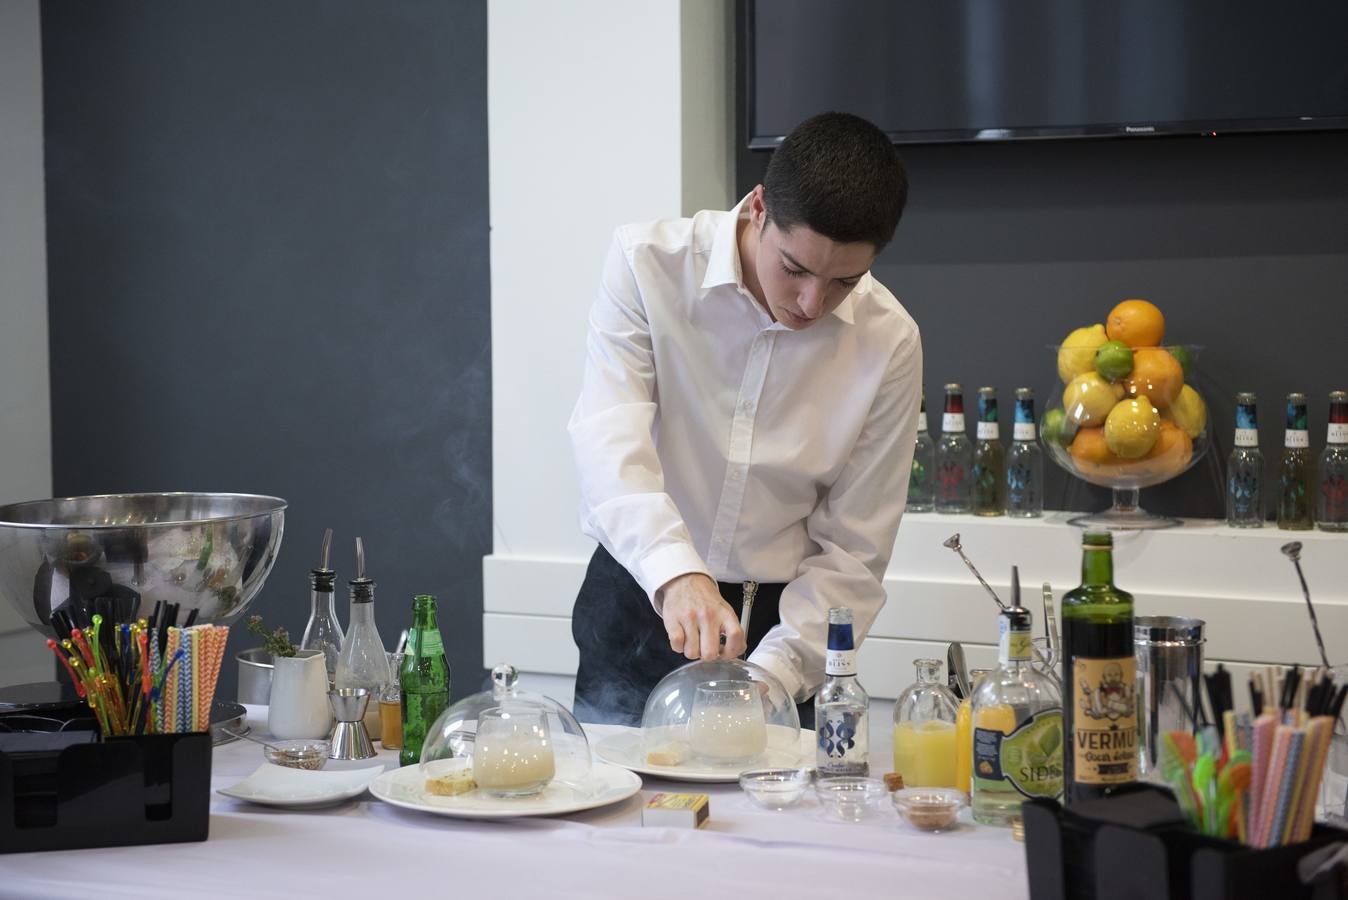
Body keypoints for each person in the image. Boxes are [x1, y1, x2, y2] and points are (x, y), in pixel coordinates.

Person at [568, 111, 922, 726]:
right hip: (642, 595)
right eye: (794, 269)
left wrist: (775, 676)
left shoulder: (889, 341)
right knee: (615, 816)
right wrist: (677, 574)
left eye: (845, 281)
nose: (812, 304)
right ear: (758, 207)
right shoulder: (647, 264)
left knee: (773, 820)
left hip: (787, 628)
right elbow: (609, 438)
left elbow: (854, 550)